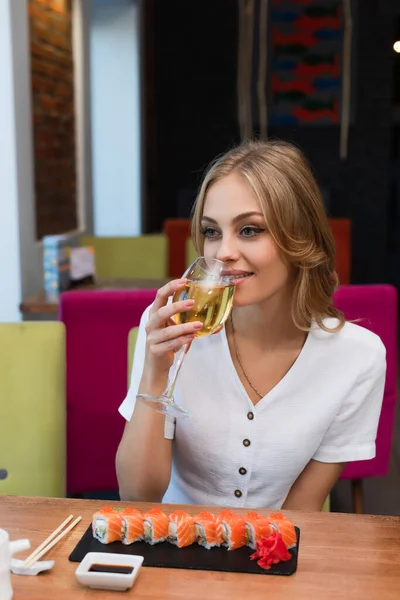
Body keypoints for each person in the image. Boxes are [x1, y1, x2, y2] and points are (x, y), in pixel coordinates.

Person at [116, 139, 386, 511]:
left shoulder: (359, 357)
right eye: (212, 232)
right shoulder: (173, 329)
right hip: (173, 548)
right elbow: (137, 497)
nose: (222, 251)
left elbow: (302, 510)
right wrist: (155, 374)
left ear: (301, 238)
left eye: (249, 230)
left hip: (274, 555)